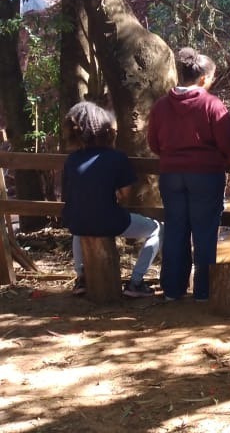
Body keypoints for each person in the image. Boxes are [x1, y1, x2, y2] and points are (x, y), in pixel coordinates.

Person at [148, 47, 230, 302]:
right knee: (205, 232)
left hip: (171, 175)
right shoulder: (212, 105)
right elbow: (227, 146)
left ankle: (173, 290)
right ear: (202, 79)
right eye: (212, 78)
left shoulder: (161, 106)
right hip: (206, 176)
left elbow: (154, 144)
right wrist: (225, 159)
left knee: (176, 229)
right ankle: (204, 291)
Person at [62, 101, 162, 298]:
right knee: (156, 228)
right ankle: (136, 283)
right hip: (109, 220)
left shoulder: (71, 160)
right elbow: (125, 194)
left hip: (75, 220)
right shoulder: (116, 157)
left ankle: (81, 277)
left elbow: (69, 192)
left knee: (80, 229)